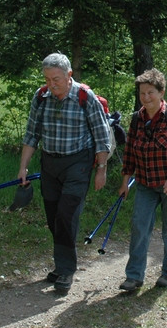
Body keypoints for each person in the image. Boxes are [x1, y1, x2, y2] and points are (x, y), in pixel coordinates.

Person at [17, 53, 111, 295]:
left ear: (69, 75)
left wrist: (101, 169)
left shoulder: (84, 97)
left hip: (78, 164)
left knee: (66, 215)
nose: (52, 84)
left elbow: (102, 137)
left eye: (56, 79)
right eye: (47, 79)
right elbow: (31, 135)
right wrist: (23, 167)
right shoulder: (41, 97)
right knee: (53, 218)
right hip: (49, 164)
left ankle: (67, 270)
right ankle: (61, 265)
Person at [118, 68, 167, 292]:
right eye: (142, 93)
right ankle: (133, 277)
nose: (146, 98)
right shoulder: (136, 119)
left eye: (150, 92)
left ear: (161, 92)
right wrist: (125, 182)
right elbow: (130, 153)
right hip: (145, 184)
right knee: (139, 227)